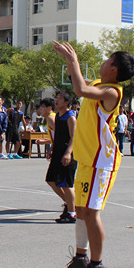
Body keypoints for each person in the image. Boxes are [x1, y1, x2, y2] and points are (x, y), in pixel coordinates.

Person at [53, 41, 134, 268]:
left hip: (102, 162)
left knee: (91, 213)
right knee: (81, 211)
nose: (104, 61)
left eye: (108, 59)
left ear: (114, 69)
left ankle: (97, 266)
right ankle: (80, 259)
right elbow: (78, 82)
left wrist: (73, 59)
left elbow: (79, 89)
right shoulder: (99, 84)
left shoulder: (112, 93)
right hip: (87, 159)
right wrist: (69, 61)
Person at [45, 91, 78, 224]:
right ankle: (69, 203)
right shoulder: (58, 116)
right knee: (51, 179)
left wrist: (68, 153)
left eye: (60, 98)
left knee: (67, 184)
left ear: (67, 102)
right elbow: (57, 135)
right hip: (58, 152)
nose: (56, 100)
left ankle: (72, 213)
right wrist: (52, 149)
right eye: (56, 98)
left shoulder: (71, 117)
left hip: (67, 153)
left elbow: (74, 137)